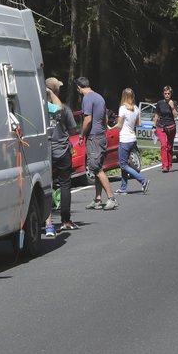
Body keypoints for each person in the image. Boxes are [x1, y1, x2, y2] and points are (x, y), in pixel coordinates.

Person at [42, 77, 78, 237]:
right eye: (59, 88)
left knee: (45, 186)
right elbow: (73, 131)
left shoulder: (40, 107)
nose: (61, 90)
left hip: (44, 152)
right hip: (62, 150)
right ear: (55, 90)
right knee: (65, 185)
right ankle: (65, 220)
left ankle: (46, 222)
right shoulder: (64, 108)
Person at [75, 77, 118, 211]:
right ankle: (97, 199)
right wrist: (104, 130)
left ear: (78, 87)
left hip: (94, 137)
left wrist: (81, 135)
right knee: (97, 167)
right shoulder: (99, 97)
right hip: (101, 135)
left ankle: (111, 198)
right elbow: (105, 117)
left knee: (96, 168)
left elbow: (88, 119)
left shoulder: (87, 98)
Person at [111, 88, 150, 195]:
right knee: (125, 163)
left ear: (123, 96)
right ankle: (123, 188)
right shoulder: (136, 109)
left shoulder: (122, 108)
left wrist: (111, 127)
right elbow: (139, 124)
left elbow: (119, 125)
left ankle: (143, 180)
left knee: (123, 165)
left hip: (124, 139)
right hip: (133, 139)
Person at [152, 86, 178, 172]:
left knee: (170, 147)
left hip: (171, 127)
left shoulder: (173, 102)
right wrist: (154, 126)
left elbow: (176, 115)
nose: (167, 95)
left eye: (168, 93)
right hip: (161, 126)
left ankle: (170, 164)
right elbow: (156, 115)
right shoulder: (159, 103)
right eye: (165, 93)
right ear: (163, 94)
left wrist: (172, 107)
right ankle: (165, 166)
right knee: (163, 145)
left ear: (171, 94)